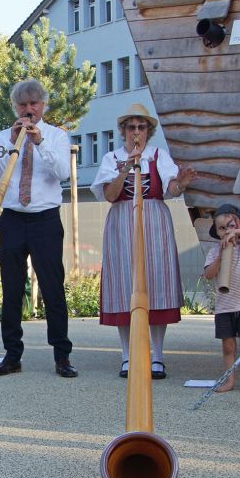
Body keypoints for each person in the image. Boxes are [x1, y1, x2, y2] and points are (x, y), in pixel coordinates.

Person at [90, 103, 196, 379]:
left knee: (156, 282)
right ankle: (127, 357)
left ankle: (157, 356)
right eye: (131, 127)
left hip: (154, 220)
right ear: (123, 131)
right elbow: (111, 195)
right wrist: (125, 170)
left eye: (141, 127)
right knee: (123, 285)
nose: (136, 132)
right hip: (122, 220)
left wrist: (181, 183)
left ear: (149, 131)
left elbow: (171, 190)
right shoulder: (111, 157)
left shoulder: (159, 155)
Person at [0, 79, 78, 378]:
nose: (28, 110)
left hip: (45, 219)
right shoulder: (4, 136)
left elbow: (63, 173)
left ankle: (62, 356)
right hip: (13, 218)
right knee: (11, 290)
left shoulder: (56, 136)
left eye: (34, 104)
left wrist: (38, 142)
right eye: (23, 105)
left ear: (43, 105)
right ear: (16, 107)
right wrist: (13, 144)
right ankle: (12, 355)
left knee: (53, 288)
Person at [203, 204, 240, 394]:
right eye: (222, 228)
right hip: (224, 307)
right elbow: (209, 275)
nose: (227, 231)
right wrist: (221, 257)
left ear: (239, 226)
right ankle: (229, 380)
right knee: (228, 346)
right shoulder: (214, 252)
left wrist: (237, 231)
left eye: (230, 226)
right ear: (217, 232)